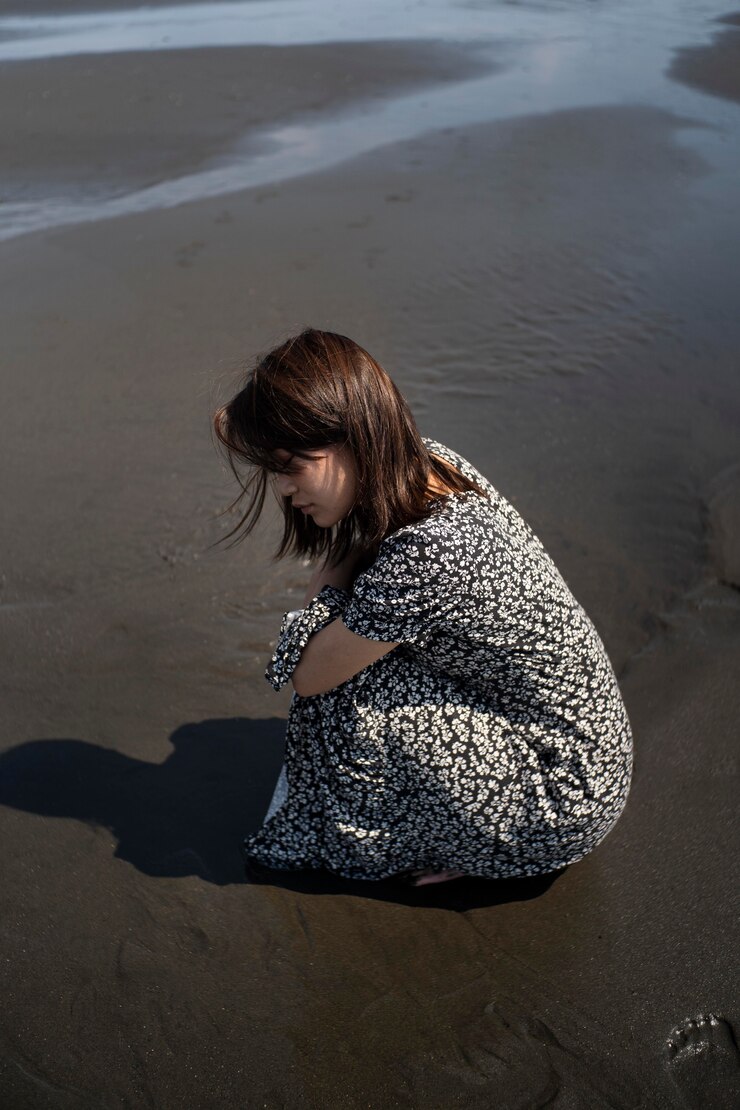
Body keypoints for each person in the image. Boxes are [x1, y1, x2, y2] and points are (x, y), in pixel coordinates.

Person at [213, 329, 632, 886]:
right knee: (362, 656)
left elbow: (310, 675)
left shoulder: (427, 554)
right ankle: (451, 826)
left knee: (346, 696)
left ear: (352, 439)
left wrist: (332, 572)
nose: (286, 490)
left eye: (292, 465)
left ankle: (468, 845)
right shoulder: (434, 464)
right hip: (589, 754)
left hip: (559, 795)